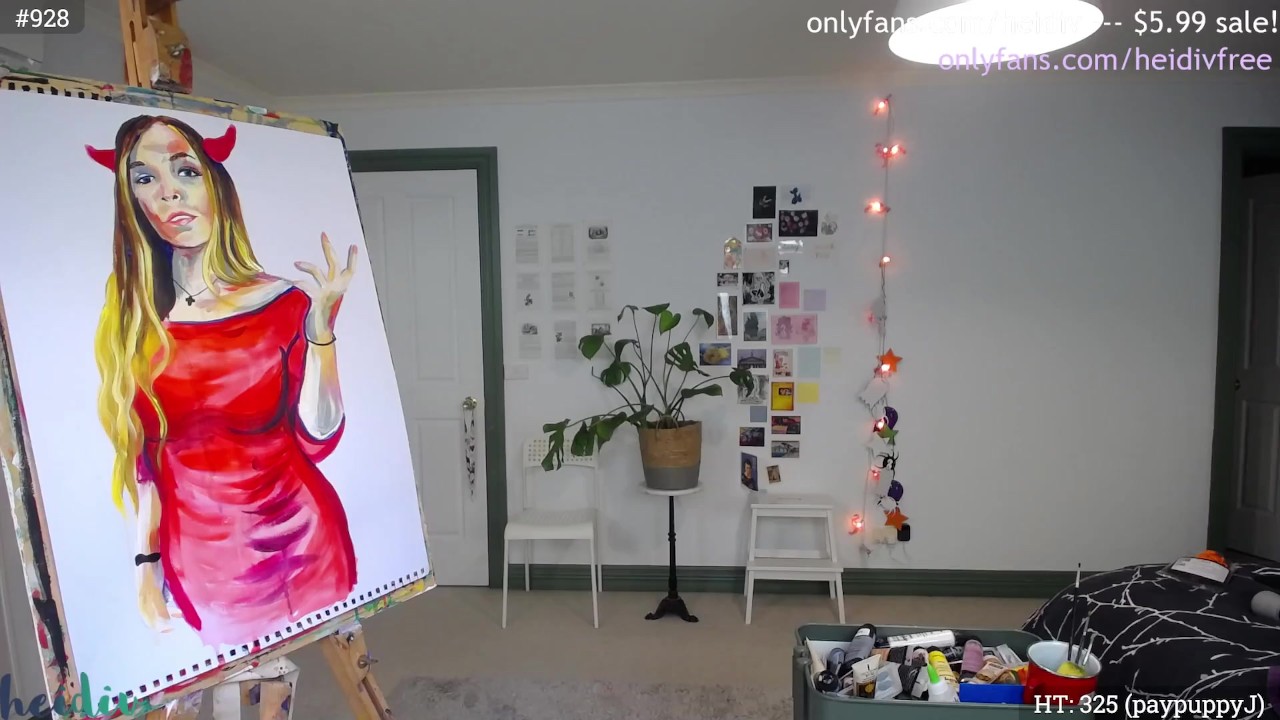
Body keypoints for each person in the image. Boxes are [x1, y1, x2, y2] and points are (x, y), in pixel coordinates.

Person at [87, 114, 359, 647]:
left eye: (185, 170)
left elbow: (318, 440)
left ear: (216, 184)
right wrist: (145, 565)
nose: (169, 192)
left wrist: (321, 334)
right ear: (132, 202)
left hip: (308, 545)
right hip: (204, 569)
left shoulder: (285, 303)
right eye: (145, 178)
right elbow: (146, 460)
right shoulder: (136, 323)